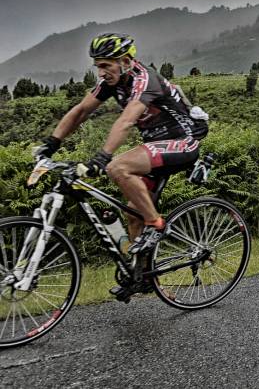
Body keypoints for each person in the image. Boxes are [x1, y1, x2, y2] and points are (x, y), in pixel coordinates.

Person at [31, 33, 209, 297]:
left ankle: (157, 225)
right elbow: (81, 111)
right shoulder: (113, 81)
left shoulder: (144, 80)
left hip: (182, 142)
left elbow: (126, 121)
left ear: (125, 61)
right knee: (132, 214)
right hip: (155, 147)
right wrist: (52, 142)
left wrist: (103, 157)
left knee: (117, 168)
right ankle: (144, 278)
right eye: (98, 66)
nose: (101, 72)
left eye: (106, 65)